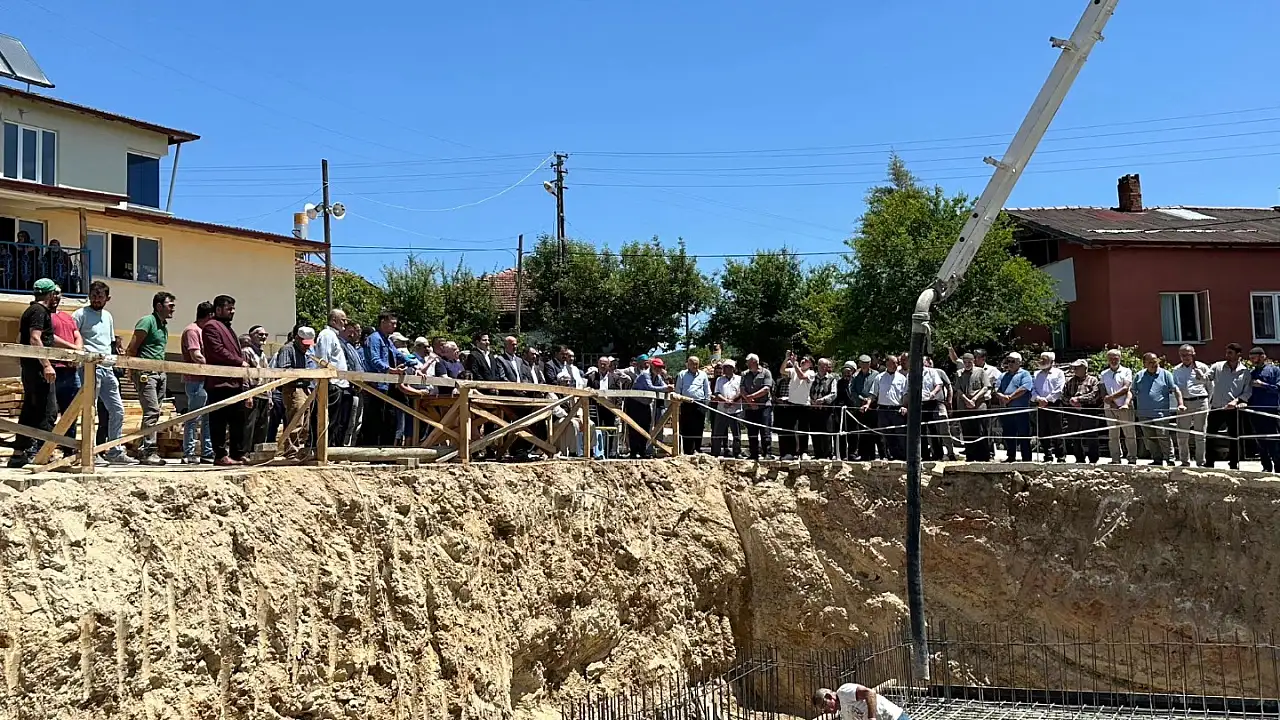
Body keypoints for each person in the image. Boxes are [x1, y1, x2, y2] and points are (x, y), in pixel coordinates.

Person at [72, 281, 135, 466]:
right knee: (90, 409)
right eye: (93, 296)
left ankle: (114, 450)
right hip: (90, 367)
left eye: (100, 296)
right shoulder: (80, 314)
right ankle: (89, 451)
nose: (96, 299)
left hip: (107, 367)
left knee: (117, 410)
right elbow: (74, 337)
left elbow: (109, 341)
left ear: (107, 298)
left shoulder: (107, 316)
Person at [9, 278, 61, 468]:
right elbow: (35, 338)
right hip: (38, 369)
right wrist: (46, 365)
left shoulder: (30, 311)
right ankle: (42, 453)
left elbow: (21, 338)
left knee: (31, 410)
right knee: (48, 410)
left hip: (31, 367)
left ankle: (19, 453)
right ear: (50, 294)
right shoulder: (39, 311)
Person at [126, 291, 176, 465]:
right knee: (152, 411)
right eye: (170, 305)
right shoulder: (147, 321)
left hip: (160, 372)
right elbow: (132, 347)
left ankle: (142, 449)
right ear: (159, 306)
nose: (173, 309)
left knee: (154, 412)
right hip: (146, 373)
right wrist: (131, 370)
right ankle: (149, 451)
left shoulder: (163, 326)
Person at [202, 295, 247, 465]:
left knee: (238, 420)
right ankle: (220, 455)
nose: (232, 311)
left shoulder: (228, 329)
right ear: (218, 309)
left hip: (234, 382)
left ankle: (237, 453)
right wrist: (239, 362)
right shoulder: (211, 326)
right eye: (229, 308)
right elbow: (217, 351)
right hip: (219, 382)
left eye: (233, 308)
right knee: (219, 421)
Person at [360, 312, 404, 447]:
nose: (395, 326)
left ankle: (385, 449)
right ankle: (371, 451)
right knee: (375, 421)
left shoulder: (387, 340)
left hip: (387, 386)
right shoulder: (374, 339)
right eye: (392, 323)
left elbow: (399, 355)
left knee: (389, 420)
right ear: (383, 322)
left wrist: (415, 364)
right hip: (375, 386)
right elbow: (375, 360)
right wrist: (391, 370)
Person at [1205, 342, 1251, 470]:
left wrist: (1237, 401)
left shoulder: (1245, 372)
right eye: (1226, 353)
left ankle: (1233, 463)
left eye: (1230, 353)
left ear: (1238, 354)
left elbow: (1247, 391)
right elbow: (1207, 377)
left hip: (1233, 409)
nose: (1227, 355)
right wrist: (1200, 376)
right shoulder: (1218, 366)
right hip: (1217, 408)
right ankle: (1209, 462)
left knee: (1234, 437)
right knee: (1210, 435)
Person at [180, 301, 216, 465]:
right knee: (193, 417)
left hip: (206, 380)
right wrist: (214, 367)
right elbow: (196, 356)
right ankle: (189, 452)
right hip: (195, 380)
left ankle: (207, 452)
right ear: (210, 315)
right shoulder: (192, 331)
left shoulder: (204, 331)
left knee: (208, 417)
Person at [1131, 353, 1180, 466]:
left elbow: (1175, 390)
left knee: (1163, 436)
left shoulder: (1166, 374)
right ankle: (1157, 459)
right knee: (1149, 438)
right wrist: (1126, 403)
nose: (1154, 364)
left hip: (1161, 413)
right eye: (1150, 362)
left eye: (1155, 361)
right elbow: (1132, 391)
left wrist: (1180, 404)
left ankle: (1170, 459)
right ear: (1144, 364)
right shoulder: (1139, 375)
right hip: (1144, 413)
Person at [275, 325, 317, 454]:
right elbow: (284, 370)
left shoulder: (305, 353)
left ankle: (300, 449)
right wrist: (304, 374)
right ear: (297, 339)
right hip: (293, 387)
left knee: (305, 423)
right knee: (296, 419)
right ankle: (291, 450)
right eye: (305, 344)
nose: (307, 347)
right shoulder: (287, 349)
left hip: (305, 387)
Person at [48, 288, 84, 439]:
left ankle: (68, 446)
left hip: (71, 371)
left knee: (71, 412)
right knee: (49, 411)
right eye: (53, 293)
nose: (56, 296)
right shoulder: (43, 315)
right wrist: (73, 348)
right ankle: (45, 447)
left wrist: (77, 351)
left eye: (58, 293)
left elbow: (77, 335)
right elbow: (49, 337)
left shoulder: (67, 317)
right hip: (54, 369)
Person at [1171, 344, 1212, 467]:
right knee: (1182, 434)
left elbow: (1210, 386)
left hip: (1200, 401)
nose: (1185, 357)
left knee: (1200, 434)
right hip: (1184, 403)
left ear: (1193, 354)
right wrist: (1180, 403)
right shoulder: (1176, 370)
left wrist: (1208, 401)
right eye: (1182, 355)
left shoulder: (1202, 367)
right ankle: (1184, 461)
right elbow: (1175, 388)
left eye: (1188, 355)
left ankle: (1201, 462)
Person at [314, 309, 349, 446]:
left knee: (335, 421)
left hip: (337, 383)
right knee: (328, 420)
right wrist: (326, 381)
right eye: (343, 320)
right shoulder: (327, 335)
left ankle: (329, 447)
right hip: (331, 384)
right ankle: (322, 448)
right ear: (334, 320)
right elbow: (324, 360)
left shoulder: (333, 336)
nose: (345, 323)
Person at [994, 352, 1034, 462]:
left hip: (1021, 410)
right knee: (1008, 434)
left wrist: (1010, 397)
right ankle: (1011, 456)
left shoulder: (1024, 374)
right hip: (1006, 410)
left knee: (1023, 435)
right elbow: (996, 389)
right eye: (1008, 361)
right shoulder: (1003, 375)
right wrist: (1002, 396)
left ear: (1019, 363)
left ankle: (1026, 459)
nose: (1010, 364)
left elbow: (1025, 387)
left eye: (1013, 361)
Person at [953, 352, 994, 462]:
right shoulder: (959, 374)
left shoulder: (980, 372)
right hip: (964, 407)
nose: (967, 364)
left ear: (973, 361)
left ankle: (984, 457)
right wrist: (967, 400)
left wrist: (974, 399)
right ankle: (970, 456)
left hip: (979, 406)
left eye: (969, 362)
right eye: (965, 362)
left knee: (981, 432)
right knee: (967, 432)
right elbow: (958, 389)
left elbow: (985, 387)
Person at [1246, 347, 1280, 473]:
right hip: (1255, 411)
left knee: (1274, 440)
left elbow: (1278, 388)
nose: (1252, 360)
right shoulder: (1251, 373)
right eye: (1250, 358)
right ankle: (1266, 466)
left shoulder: (1274, 370)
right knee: (1260, 440)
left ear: (1262, 356)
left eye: (1254, 357)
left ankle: (1278, 466)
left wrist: (1263, 385)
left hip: (1270, 410)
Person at [1099, 349, 1137, 465]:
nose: (1113, 360)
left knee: (1129, 433)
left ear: (1120, 358)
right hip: (1110, 407)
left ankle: (1132, 458)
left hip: (1124, 406)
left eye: (1115, 358)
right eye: (1111, 358)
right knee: (1113, 434)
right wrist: (1111, 403)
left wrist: (1111, 397)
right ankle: (1115, 458)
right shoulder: (1104, 374)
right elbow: (1102, 390)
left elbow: (1126, 388)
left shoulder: (1126, 371)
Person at [1063, 359, 1103, 464]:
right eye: (1074, 368)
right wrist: (1072, 401)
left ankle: (1093, 459)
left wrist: (1079, 400)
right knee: (1075, 435)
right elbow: (1064, 395)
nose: (1075, 369)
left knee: (1091, 435)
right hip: (1073, 411)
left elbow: (1095, 395)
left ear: (1085, 368)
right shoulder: (1069, 381)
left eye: (1077, 367)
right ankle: (1079, 458)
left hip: (1088, 409)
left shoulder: (1093, 380)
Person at [1030, 351, 1067, 462]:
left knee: (1057, 430)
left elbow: (1059, 389)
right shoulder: (1036, 374)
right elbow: (1032, 389)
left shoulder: (1059, 373)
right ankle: (1047, 455)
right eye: (1041, 359)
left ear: (1051, 361)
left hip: (1054, 404)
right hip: (1040, 404)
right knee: (1043, 430)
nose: (1042, 361)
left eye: (1045, 359)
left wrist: (1047, 399)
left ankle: (1060, 455)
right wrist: (1038, 399)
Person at [778, 353, 815, 460]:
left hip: (804, 405)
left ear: (811, 364)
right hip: (791, 403)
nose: (803, 361)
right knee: (790, 429)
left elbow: (801, 376)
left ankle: (804, 452)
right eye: (803, 359)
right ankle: (791, 452)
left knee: (803, 429)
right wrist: (786, 358)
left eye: (806, 360)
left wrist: (795, 364)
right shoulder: (794, 369)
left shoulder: (811, 373)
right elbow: (782, 371)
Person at [242, 325, 272, 451]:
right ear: (251, 336)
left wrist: (270, 396)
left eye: (265, 335)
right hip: (253, 393)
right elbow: (244, 375)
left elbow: (267, 376)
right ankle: (245, 453)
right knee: (249, 426)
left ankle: (257, 454)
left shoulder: (263, 354)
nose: (263, 337)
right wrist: (247, 395)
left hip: (264, 394)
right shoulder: (246, 352)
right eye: (260, 334)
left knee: (262, 427)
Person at [739, 354, 774, 460]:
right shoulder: (744, 374)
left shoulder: (766, 372)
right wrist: (750, 402)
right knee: (752, 431)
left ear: (755, 362)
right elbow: (742, 389)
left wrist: (752, 396)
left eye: (749, 363)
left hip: (764, 406)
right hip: (750, 407)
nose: (747, 365)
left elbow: (766, 389)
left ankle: (767, 453)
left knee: (765, 430)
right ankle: (753, 453)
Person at [874, 355, 909, 461]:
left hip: (897, 409)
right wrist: (867, 403)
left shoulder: (902, 378)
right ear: (887, 364)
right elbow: (874, 393)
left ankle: (903, 457)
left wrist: (904, 406)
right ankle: (888, 456)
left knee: (900, 434)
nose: (896, 365)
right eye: (893, 363)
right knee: (886, 435)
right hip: (883, 409)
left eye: (897, 363)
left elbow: (905, 394)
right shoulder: (879, 377)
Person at [675, 356, 711, 454]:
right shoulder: (682, 374)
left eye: (696, 364)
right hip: (686, 403)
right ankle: (688, 450)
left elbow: (707, 390)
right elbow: (678, 390)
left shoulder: (703, 374)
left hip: (700, 403)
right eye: (692, 364)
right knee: (687, 427)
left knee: (699, 427)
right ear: (688, 364)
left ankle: (697, 448)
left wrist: (706, 403)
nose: (695, 366)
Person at [813, 683, 909, 720]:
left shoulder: (843, 692)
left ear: (829, 697)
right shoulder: (844, 713)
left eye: (824, 706)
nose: (825, 711)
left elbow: (870, 693)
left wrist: (872, 718)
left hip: (894, 717)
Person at [710, 359, 742, 458]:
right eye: (725, 367)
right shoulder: (719, 380)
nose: (725, 369)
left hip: (735, 410)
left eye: (728, 367)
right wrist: (725, 400)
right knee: (718, 432)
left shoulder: (739, 379)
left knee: (736, 433)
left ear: (733, 369)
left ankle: (737, 452)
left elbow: (741, 392)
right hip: (722, 409)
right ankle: (716, 452)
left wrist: (732, 401)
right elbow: (717, 392)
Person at [809, 359, 838, 459]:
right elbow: (807, 391)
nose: (824, 368)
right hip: (813, 410)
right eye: (822, 365)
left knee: (827, 433)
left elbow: (833, 394)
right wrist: (811, 401)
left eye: (826, 366)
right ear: (818, 366)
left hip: (826, 410)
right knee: (814, 432)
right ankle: (817, 454)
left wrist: (823, 400)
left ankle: (827, 454)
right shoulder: (812, 378)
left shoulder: (832, 379)